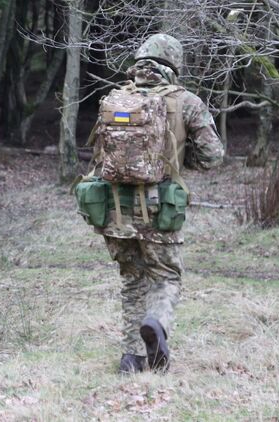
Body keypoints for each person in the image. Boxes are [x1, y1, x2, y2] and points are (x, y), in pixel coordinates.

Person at [92, 34, 225, 373]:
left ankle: (131, 358)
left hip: (114, 209)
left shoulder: (116, 98)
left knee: (132, 280)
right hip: (159, 207)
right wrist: (178, 159)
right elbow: (213, 155)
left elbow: (99, 154)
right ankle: (157, 323)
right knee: (165, 276)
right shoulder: (187, 102)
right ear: (174, 64)